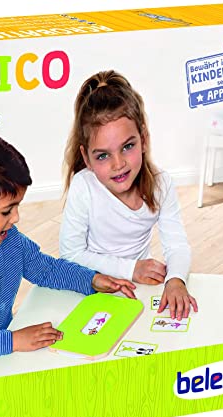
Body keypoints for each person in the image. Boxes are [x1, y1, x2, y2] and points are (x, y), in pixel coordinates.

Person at [0, 134, 136, 384]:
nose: (16, 218)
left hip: (1, 353)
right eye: (6, 211)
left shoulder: (9, 240)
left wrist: (91, 280)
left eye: (17, 207)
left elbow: (45, 269)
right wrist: (13, 340)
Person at [60, 70, 198, 321]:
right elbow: (71, 255)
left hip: (138, 285)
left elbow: (177, 244)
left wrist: (176, 280)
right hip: (93, 283)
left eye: (127, 146)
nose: (118, 164)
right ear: (86, 158)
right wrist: (130, 269)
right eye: (103, 155)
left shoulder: (161, 185)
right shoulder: (84, 187)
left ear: (143, 140)